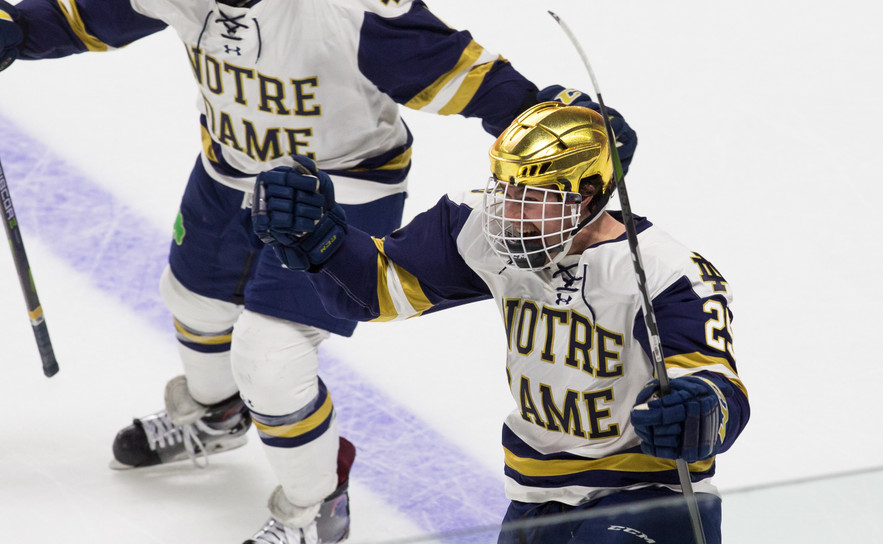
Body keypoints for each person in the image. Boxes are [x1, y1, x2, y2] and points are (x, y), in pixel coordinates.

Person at [0, 1, 637, 542]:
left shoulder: (348, 10)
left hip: (343, 186)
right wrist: (13, 26)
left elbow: (468, 77)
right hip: (229, 171)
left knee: (271, 356)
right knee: (193, 301)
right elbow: (78, 14)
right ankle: (216, 415)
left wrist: (566, 125)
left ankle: (316, 503)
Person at [252, 102, 749, 543]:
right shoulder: (483, 228)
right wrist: (318, 239)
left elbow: (717, 387)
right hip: (536, 492)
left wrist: (701, 412)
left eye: (532, 195)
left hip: (646, 496)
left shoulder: (665, 273)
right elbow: (374, 290)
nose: (510, 210)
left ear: (591, 195)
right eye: (507, 187)